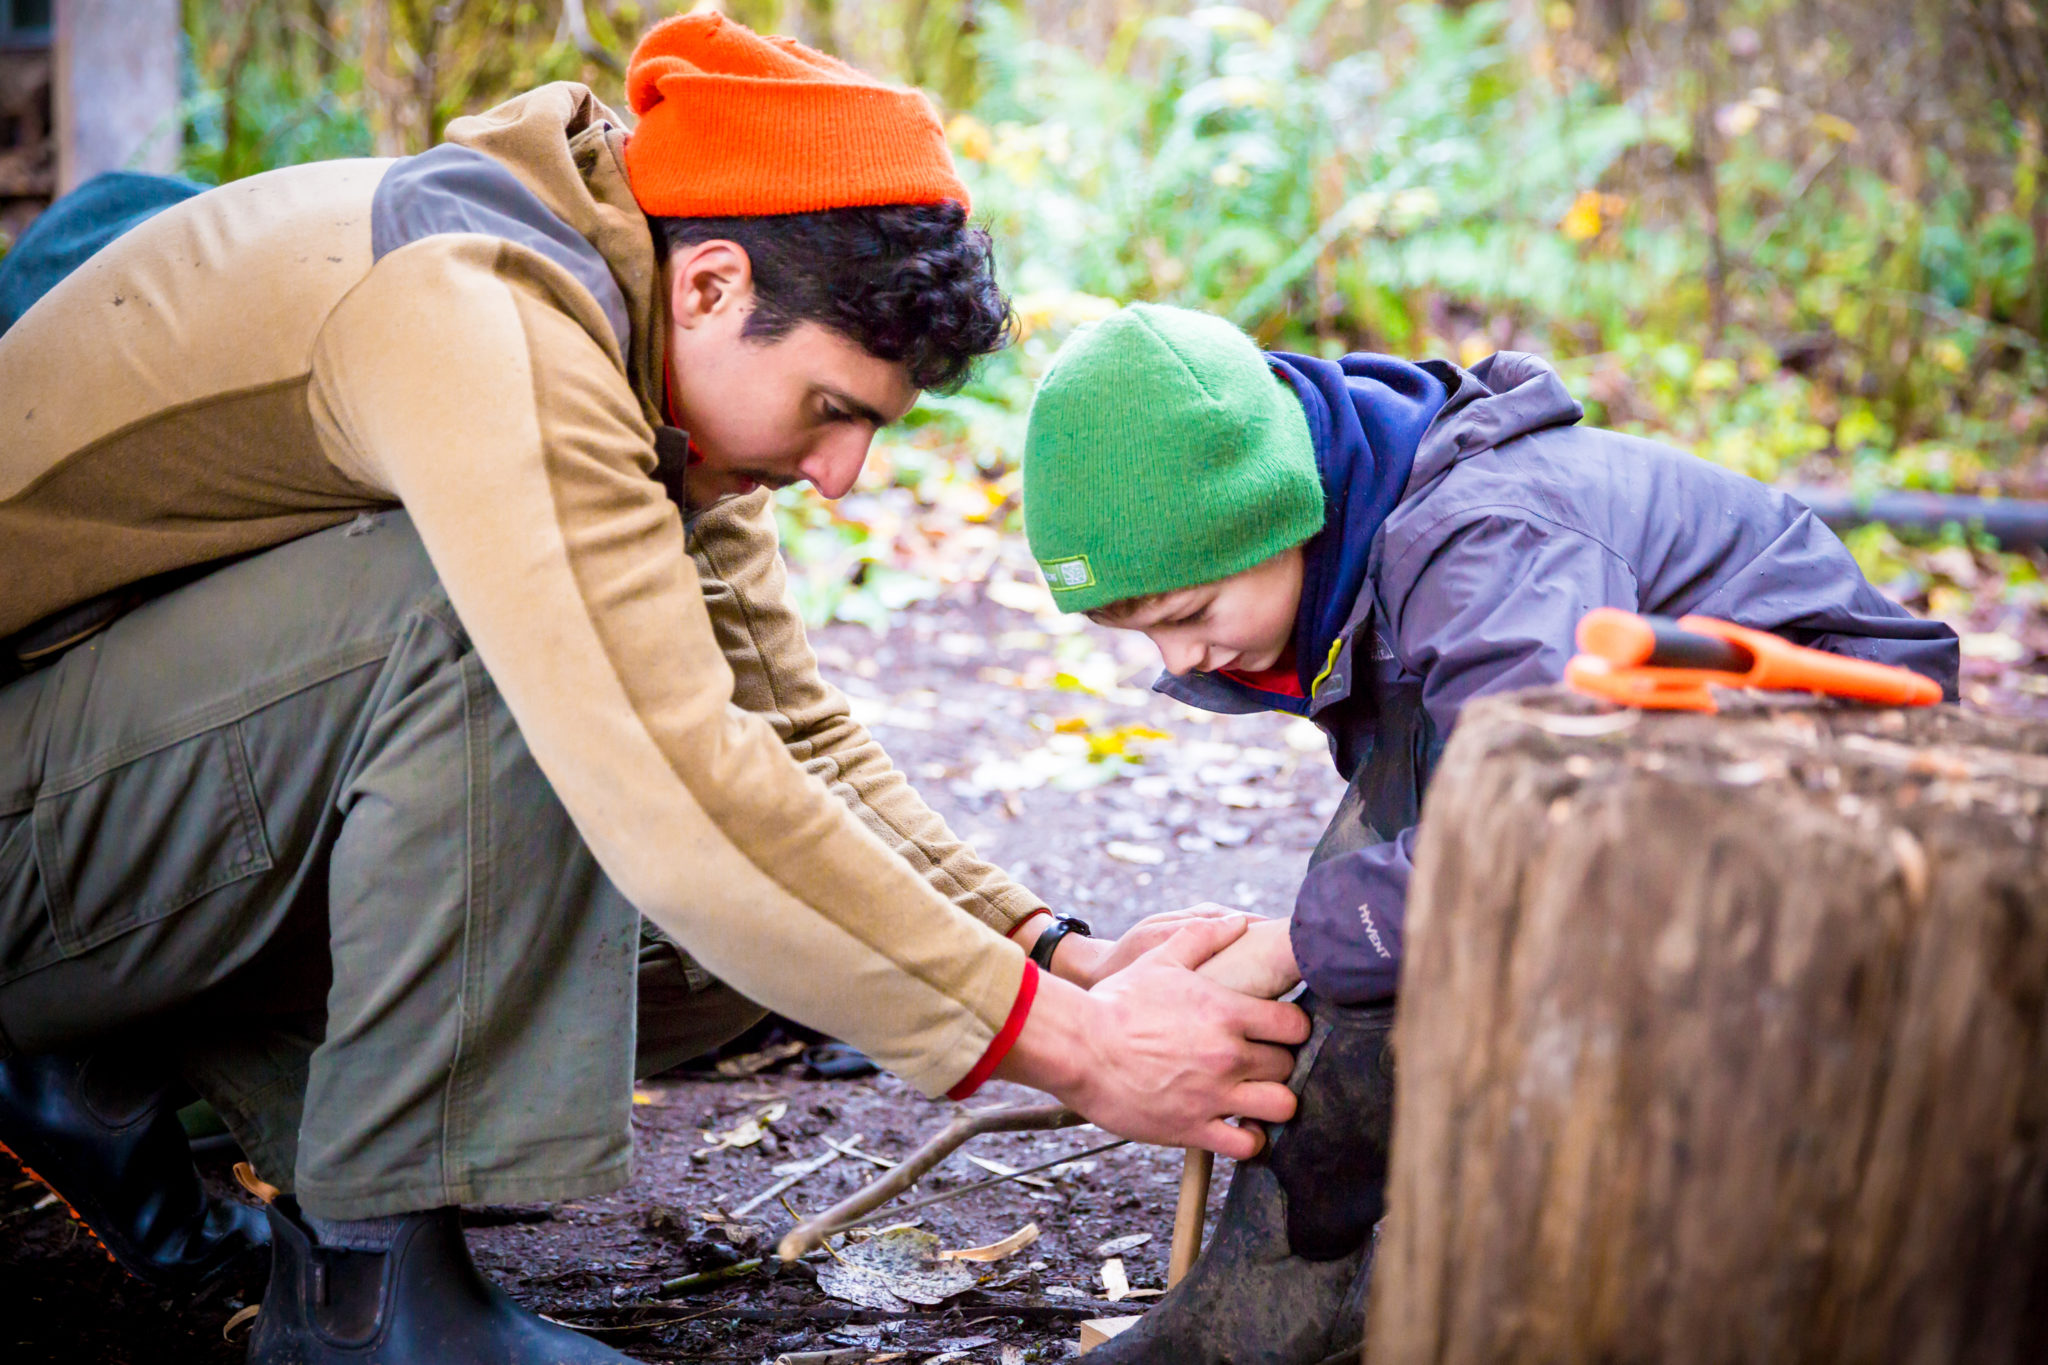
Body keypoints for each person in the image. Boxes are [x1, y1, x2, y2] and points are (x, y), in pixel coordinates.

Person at [0, 19, 1306, 1363]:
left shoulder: (635, 341)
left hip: (100, 783)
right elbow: (682, 790)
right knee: (492, 640)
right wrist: (1087, 1054)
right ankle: (372, 1305)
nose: (843, 474)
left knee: (748, 954)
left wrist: (1056, 953)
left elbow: (791, 741)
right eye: (831, 408)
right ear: (714, 285)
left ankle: (116, 1055)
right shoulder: (482, 317)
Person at [1019, 302, 1960, 1363]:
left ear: (1278, 513)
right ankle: (1311, 1273)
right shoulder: (1366, 541)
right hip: (1653, 790)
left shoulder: (1484, 544)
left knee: (1394, 886)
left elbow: (1536, 828)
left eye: (1189, 613)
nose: (1180, 661)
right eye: (1139, 632)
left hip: (1851, 794)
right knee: (1389, 881)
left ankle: (1315, 1281)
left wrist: (1295, 941)